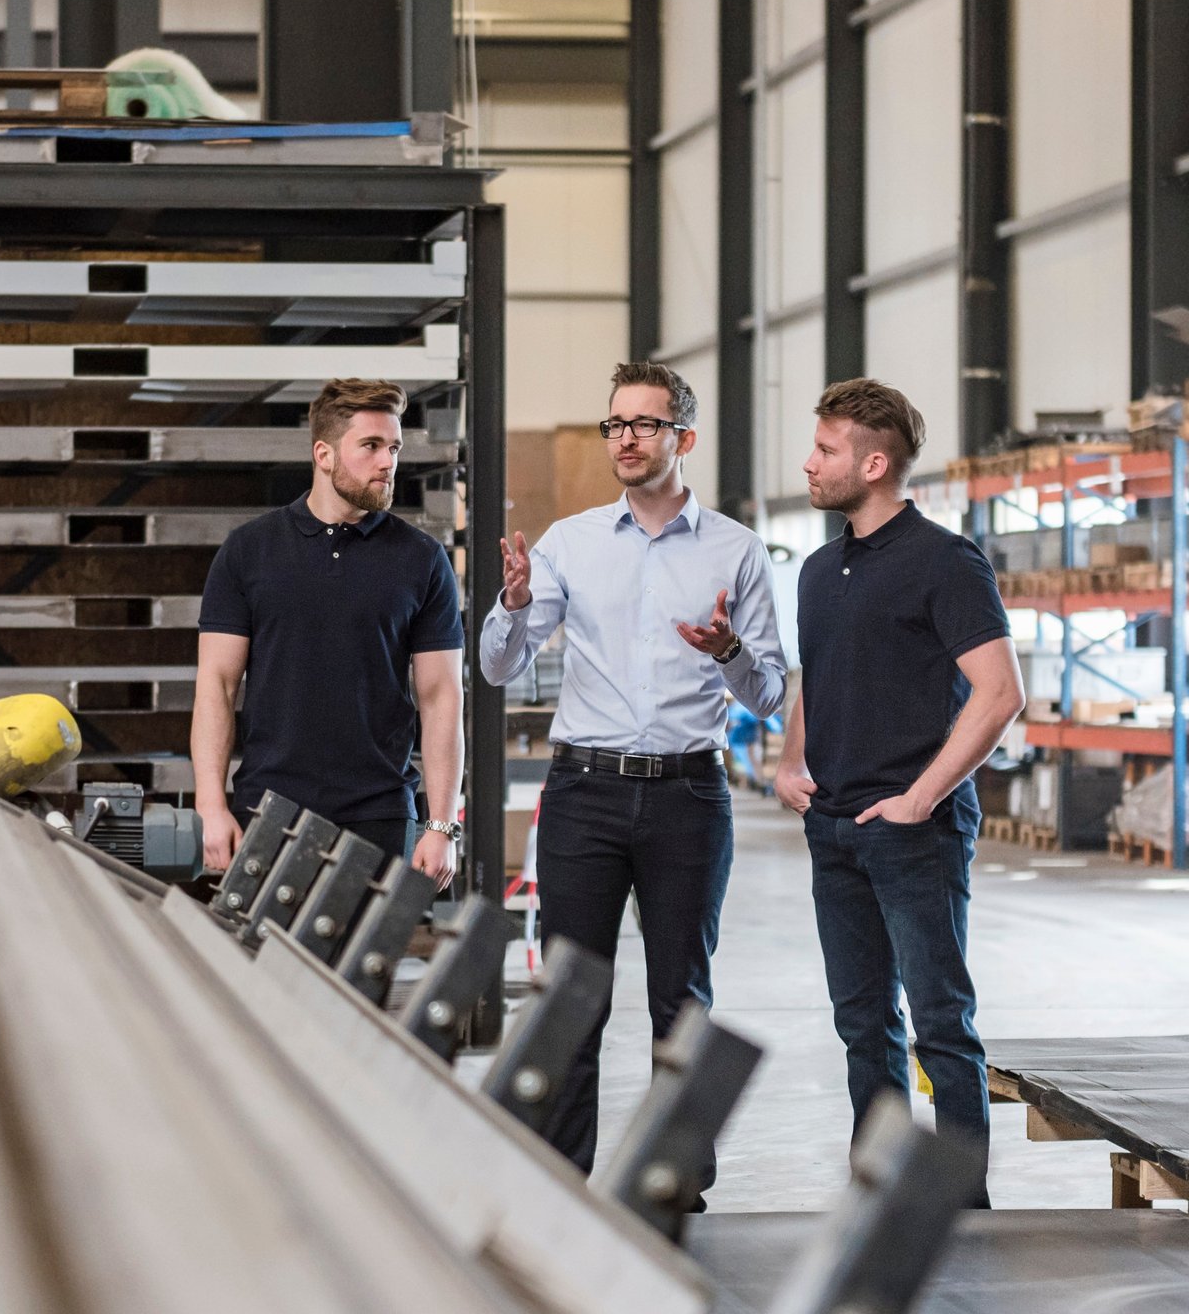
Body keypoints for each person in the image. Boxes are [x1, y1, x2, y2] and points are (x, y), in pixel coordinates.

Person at [480, 361, 787, 1201]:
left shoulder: (735, 550)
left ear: (684, 438)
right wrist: (513, 606)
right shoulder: (569, 544)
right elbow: (499, 668)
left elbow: (769, 692)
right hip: (585, 793)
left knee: (680, 999)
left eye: (645, 424)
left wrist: (728, 651)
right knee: (571, 992)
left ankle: (675, 1181)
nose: (625, 438)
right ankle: (559, 1176)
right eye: (616, 424)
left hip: (689, 797)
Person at [775, 378, 1025, 1208]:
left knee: (941, 1027)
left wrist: (921, 798)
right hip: (834, 828)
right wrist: (791, 760)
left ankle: (962, 1212)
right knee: (862, 1028)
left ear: (874, 464)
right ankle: (880, 1198)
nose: (810, 464)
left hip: (914, 834)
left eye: (826, 450)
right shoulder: (820, 570)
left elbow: (999, 692)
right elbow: (818, 677)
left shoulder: (945, 561)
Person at [192, 378, 463, 890]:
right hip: (267, 807)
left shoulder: (422, 559)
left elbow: (441, 696)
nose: (387, 463)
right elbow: (217, 686)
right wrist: (211, 806)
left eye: (394, 448)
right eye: (371, 446)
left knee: (367, 948)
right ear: (324, 454)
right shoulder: (248, 551)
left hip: (379, 814)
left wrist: (442, 824)